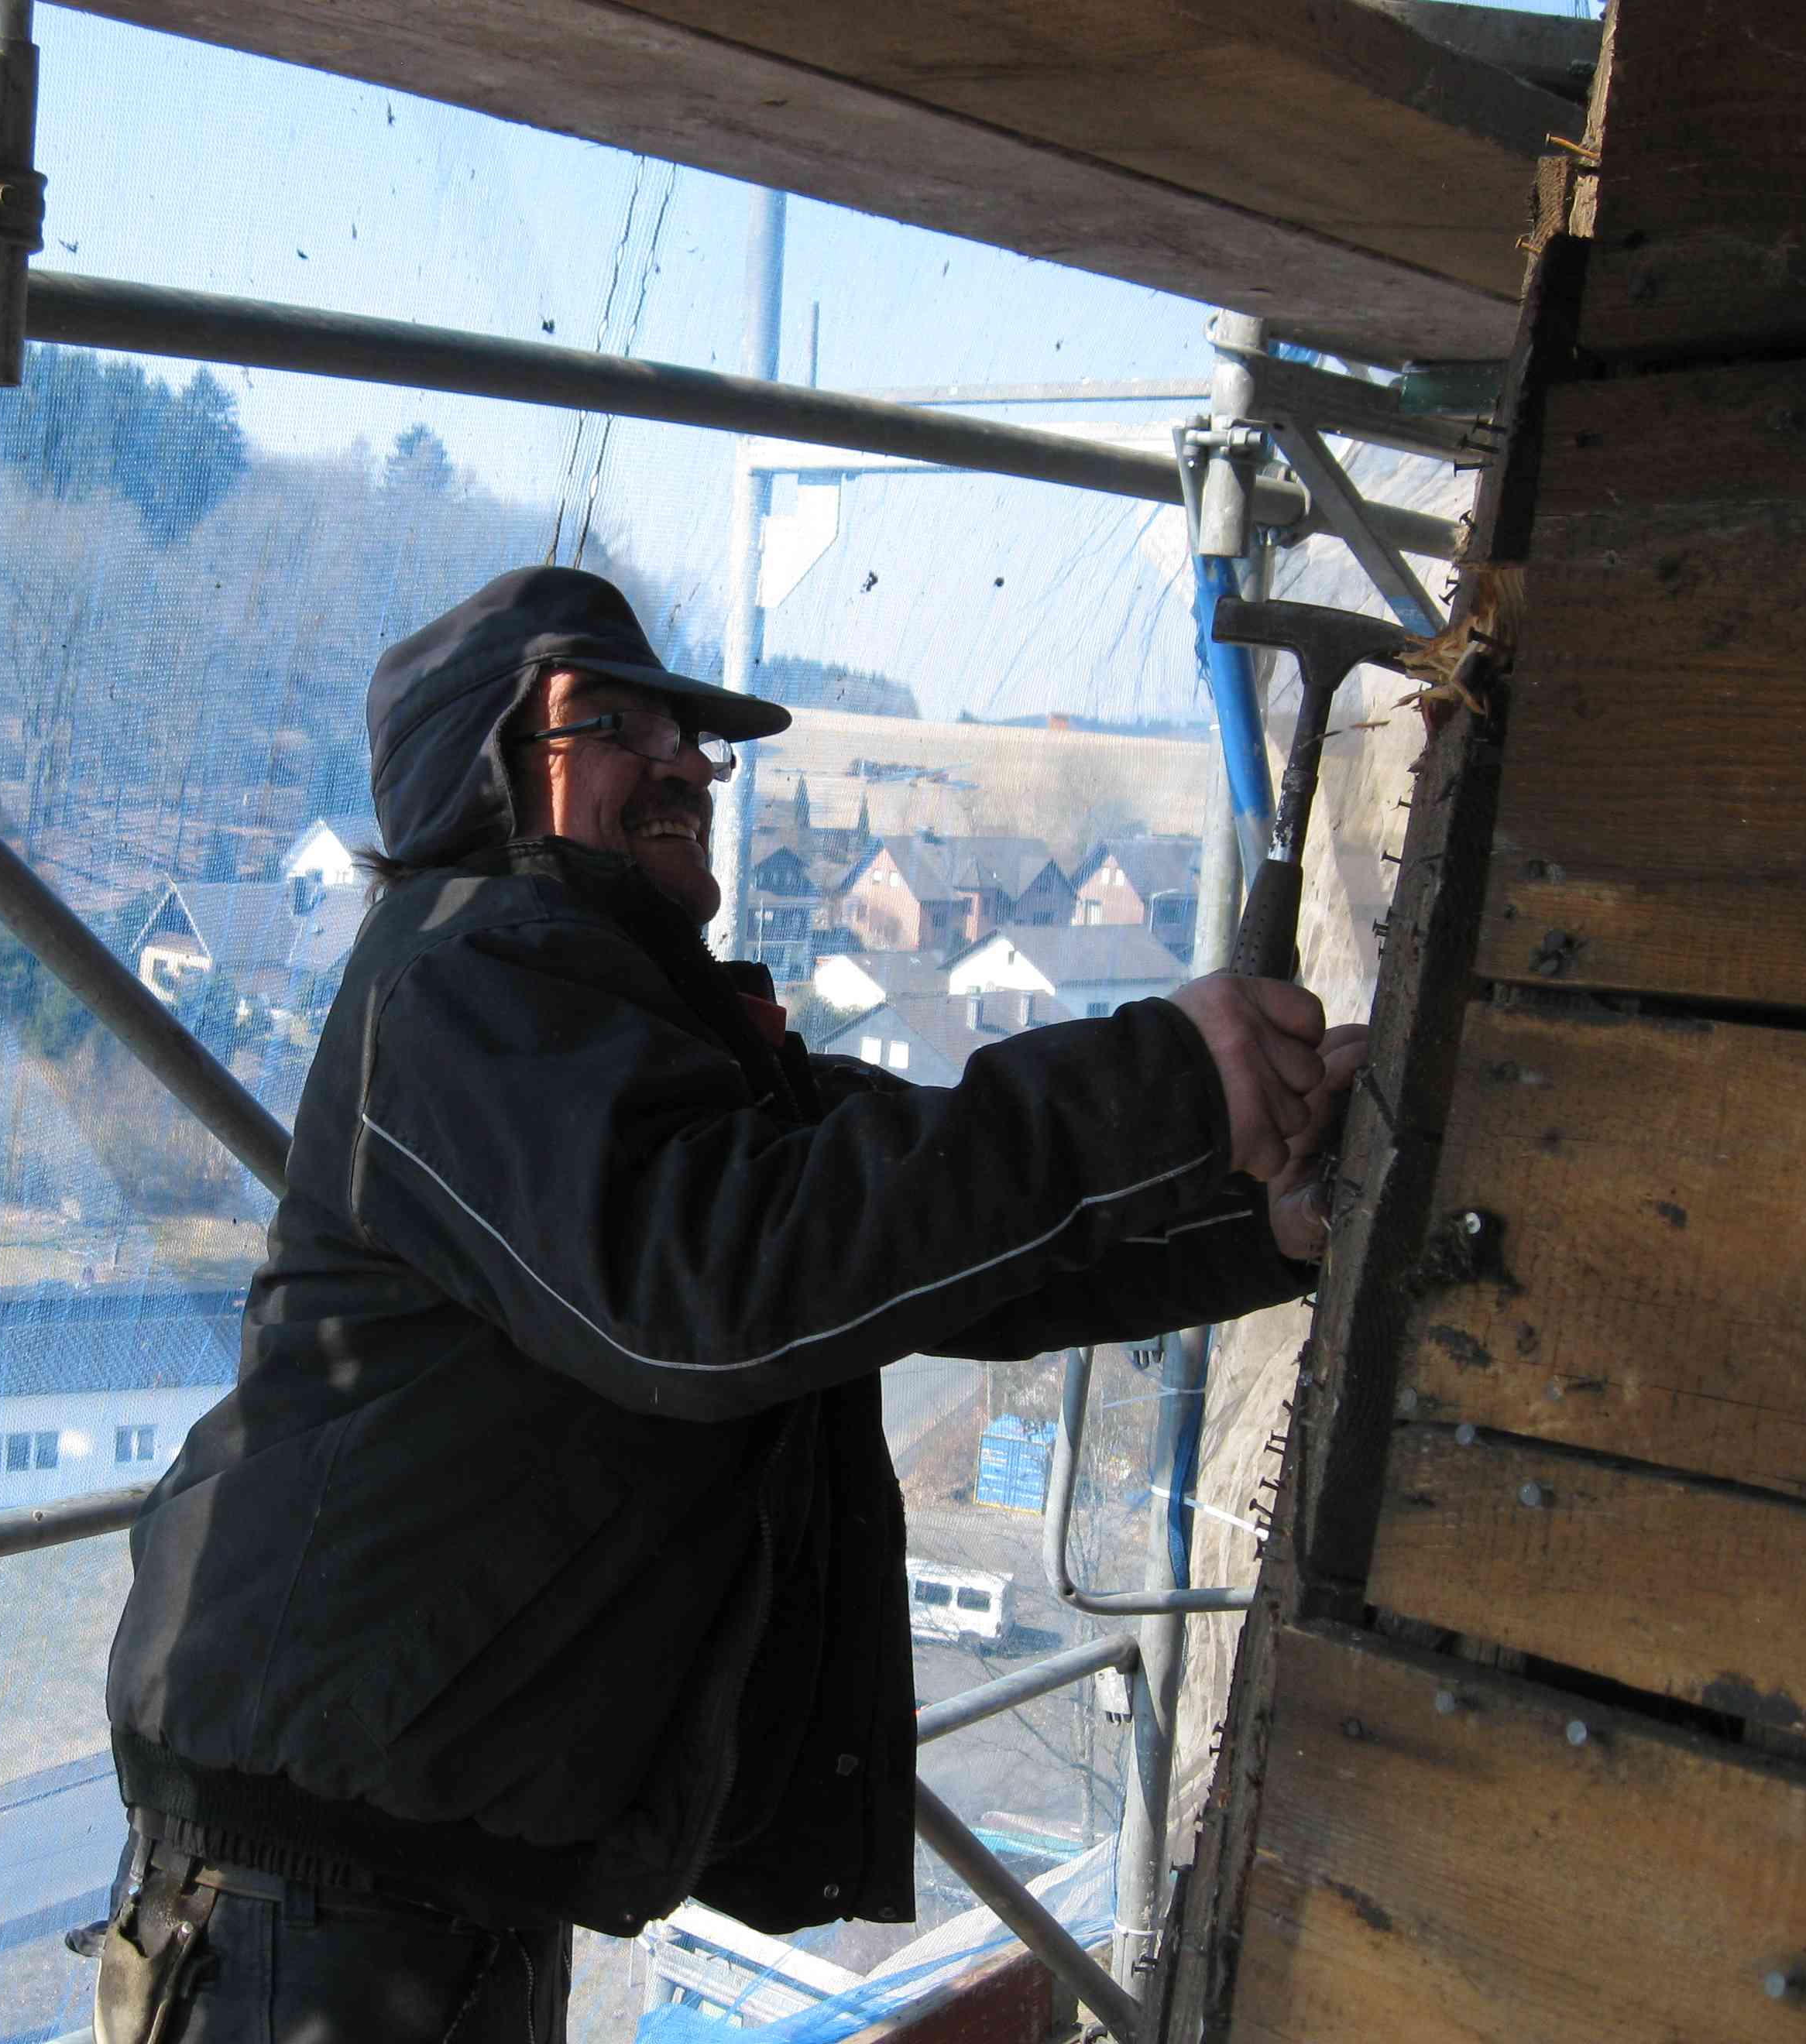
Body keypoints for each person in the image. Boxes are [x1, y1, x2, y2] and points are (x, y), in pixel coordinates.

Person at [93, 567, 1363, 2043]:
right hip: (306, 1898)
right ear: (484, 773)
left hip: (418, 1867)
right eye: (617, 724)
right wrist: (1158, 1083)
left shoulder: (633, 1025)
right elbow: (711, 1289)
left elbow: (907, 1233)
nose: (689, 762)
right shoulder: (466, 979)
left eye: (693, 734)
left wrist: (1243, 1211)